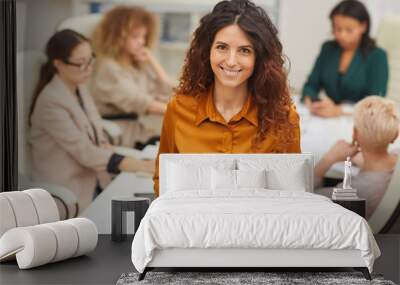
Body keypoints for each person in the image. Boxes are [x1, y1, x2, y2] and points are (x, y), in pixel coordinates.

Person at [153, 0, 301, 196]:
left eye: (244, 51)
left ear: (260, 59)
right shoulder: (179, 109)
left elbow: (292, 194)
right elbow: (162, 181)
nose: (231, 61)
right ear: (207, 51)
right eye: (222, 47)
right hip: (194, 223)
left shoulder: (283, 117)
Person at [29, 29, 155, 216]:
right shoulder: (51, 102)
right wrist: (139, 164)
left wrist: (139, 161)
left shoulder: (79, 87)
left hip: (95, 179)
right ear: (58, 64)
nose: (88, 69)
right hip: (70, 191)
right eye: (81, 64)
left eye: (90, 60)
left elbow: (97, 138)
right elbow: (86, 153)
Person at [91, 6, 174, 148]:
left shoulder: (137, 65)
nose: (142, 41)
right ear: (117, 36)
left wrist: (153, 62)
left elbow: (167, 92)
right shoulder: (108, 67)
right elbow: (139, 101)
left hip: (139, 132)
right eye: (135, 36)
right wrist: (180, 112)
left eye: (144, 36)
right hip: (120, 136)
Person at [314, 96, 399, 219]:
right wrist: (361, 158)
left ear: (354, 133)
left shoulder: (352, 191)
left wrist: (328, 159)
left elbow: (305, 196)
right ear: (395, 135)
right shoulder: (397, 154)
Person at [302, 0, 389, 118]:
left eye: (349, 30)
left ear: (363, 26)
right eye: (338, 29)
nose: (342, 35)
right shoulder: (328, 48)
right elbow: (311, 85)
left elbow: (376, 104)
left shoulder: (378, 56)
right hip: (326, 118)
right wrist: (312, 102)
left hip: (360, 122)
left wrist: (339, 110)